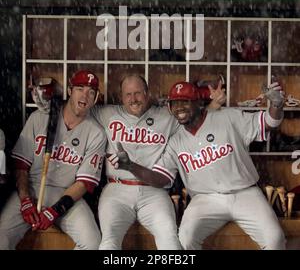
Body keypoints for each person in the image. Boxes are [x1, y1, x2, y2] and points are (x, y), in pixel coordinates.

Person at [108, 79, 286, 250]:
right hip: (204, 199)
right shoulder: (175, 142)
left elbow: (269, 123)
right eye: (174, 103)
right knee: (185, 239)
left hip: (245, 193)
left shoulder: (228, 118)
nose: (179, 108)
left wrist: (276, 105)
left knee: (275, 239)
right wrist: (131, 166)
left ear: (198, 103)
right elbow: (160, 178)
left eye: (185, 101)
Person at [0, 70, 106, 250]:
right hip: (31, 188)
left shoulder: (96, 133)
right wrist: (25, 200)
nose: (85, 95)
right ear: (70, 91)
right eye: (80, 89)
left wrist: (57, 210)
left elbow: (84, 183)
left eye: (91, 92)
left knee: (93, 243)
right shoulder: (40, 117)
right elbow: (21, 165)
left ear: (95, 98)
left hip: (66, 194)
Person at [92, 74, 181, 250]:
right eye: (128, 94)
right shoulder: (107, 113)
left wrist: (215, 105)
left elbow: (193, 117)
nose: (133, 99)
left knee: (170, 239)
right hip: (116, 190)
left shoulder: (166, 116)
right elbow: (75, 109)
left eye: (138, 93)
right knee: (109, 241)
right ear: (121, 97)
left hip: (154, 192)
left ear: (147, 94)